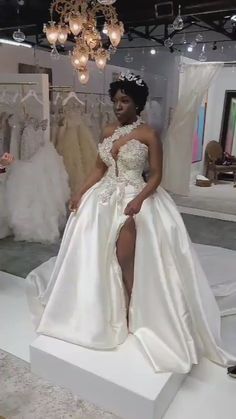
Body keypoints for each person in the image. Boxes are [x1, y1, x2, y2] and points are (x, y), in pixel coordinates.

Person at [27, 72, 236, 374]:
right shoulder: (108, 129)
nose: (118, 106)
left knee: (126, 256)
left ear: (137, 104)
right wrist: (80, 192)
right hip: (103, 197)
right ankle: (97, 309)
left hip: (134, 195)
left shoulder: (149, 134)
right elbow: (99, 168)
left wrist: (139, 199)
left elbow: (156, 174)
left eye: (124, 101)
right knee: (95, 254)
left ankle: (135, 311)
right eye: (115, 101)